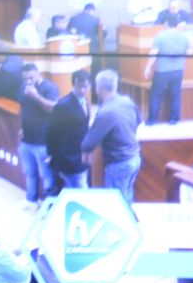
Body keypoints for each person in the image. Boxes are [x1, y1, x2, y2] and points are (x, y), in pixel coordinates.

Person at [79, 69, 141, 200]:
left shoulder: (106, 112)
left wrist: (84, 151)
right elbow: (138, 121)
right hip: (135, 158)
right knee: (127, 196)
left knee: (117, 202)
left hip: (120, 163)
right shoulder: (127, 101)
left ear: (99, 88)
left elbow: (89, 142)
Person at [38, 64, 90, 196]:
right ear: (73, 85)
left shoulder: (85, 102)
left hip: (81, 156)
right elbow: (52, 132)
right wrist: (52, 155)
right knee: (81, 192)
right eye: (80, 86)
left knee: (79, 190)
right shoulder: (63, 105)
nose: (83, 90)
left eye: (86, 86)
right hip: (69, 158)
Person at [15, 68, 60, 200]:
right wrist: (21, 127)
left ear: (38, 74)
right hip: (26, 140)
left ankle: (49, 203)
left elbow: (53, 108)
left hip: (43, 141)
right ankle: (31, 200)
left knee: (47, 175)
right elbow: (23, 108)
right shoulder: (24, 87)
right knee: (29, 173)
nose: (28, 81)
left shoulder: (50, 88)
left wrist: (36, 96)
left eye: (31, 78)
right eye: (26, 78)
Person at [146, 13, 191, 126]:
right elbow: (190, 53)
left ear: (166, 23)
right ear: (177, 24)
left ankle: (152, 120)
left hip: (162, 71)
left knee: (156, 96)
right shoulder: (184, 36)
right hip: (178, 70)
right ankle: (174, 120)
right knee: (176, 95)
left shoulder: (160, 36)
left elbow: (153, 53)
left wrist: (148, 67)